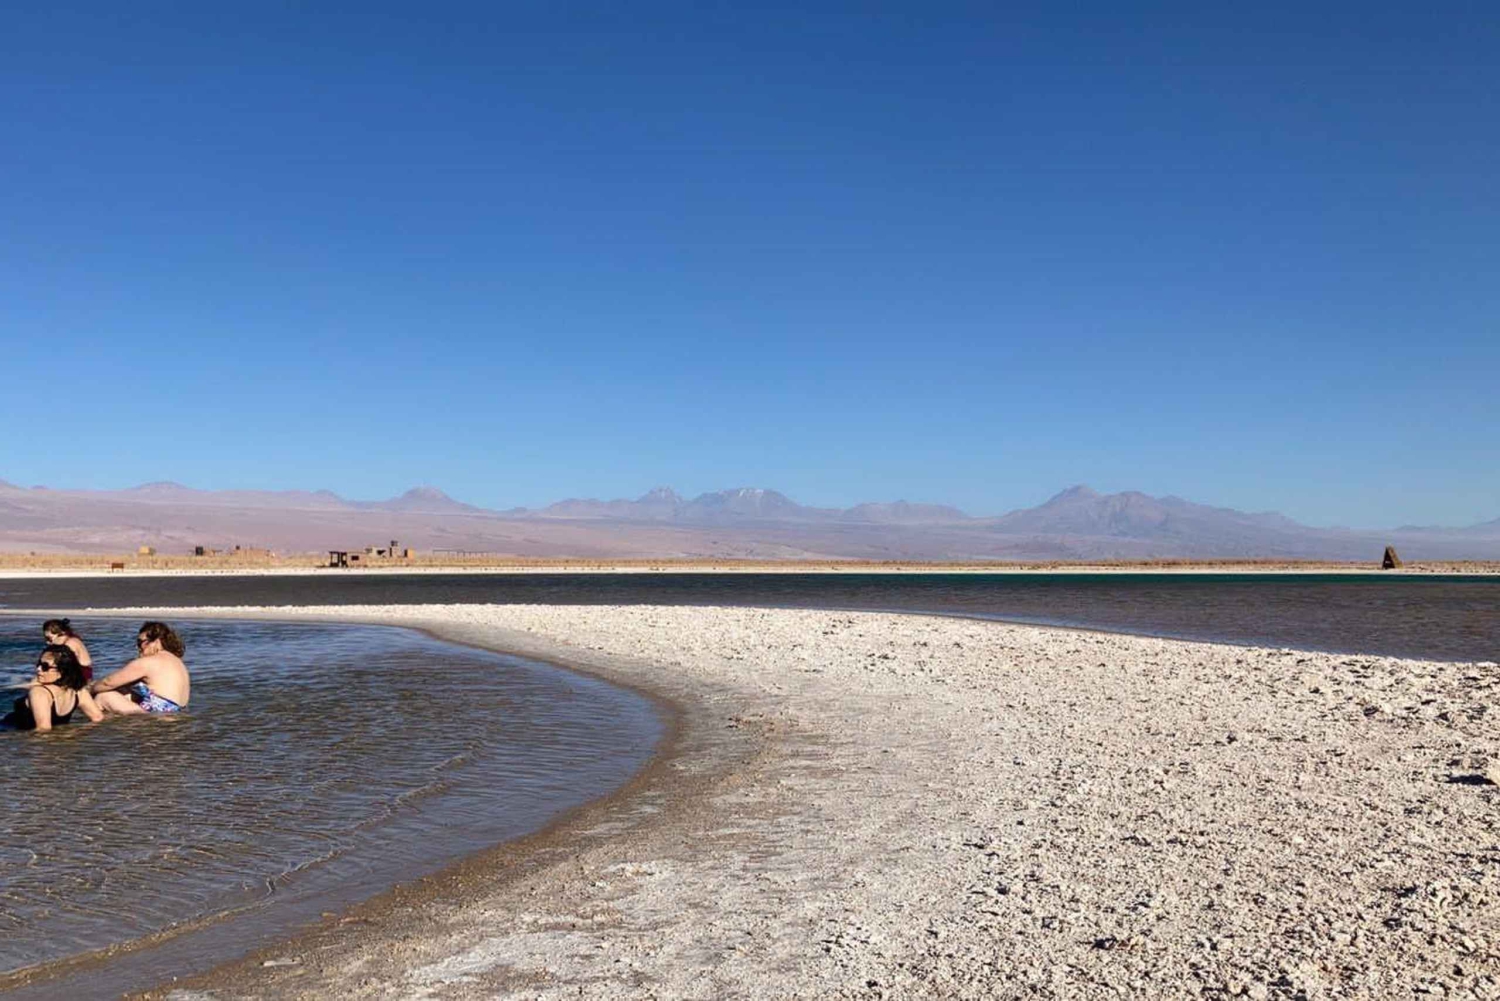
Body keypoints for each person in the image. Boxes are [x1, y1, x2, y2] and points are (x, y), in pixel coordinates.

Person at [91, 621, 190, 715]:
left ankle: (89, 729)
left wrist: (89, 690)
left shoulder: (149, 661)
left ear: (156, 641)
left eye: (140, 642)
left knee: (103, 697)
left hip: (161, 715)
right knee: (124, 693)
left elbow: (108, 682)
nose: (138, 648)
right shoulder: (177, 661)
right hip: (177, 713)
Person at [2, 645, 103, 731]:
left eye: (45, 667)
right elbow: (98, 717)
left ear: (61, 671)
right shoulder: (78, 691)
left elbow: (43, 729)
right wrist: (75, 734)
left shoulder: (39, 692)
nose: (38, 669)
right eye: (39, 664)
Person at [42, 618, 94, 684]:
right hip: (84, 675)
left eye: (49, 639)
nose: (47, 642)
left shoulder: (69, 643)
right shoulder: (72, 638)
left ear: (61, 634)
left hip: (80, 676)